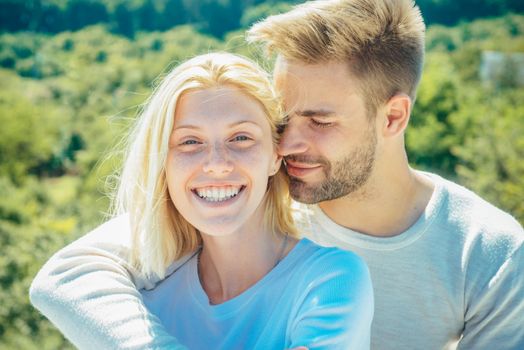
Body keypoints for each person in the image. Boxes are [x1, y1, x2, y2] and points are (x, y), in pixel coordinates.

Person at [30, 0, 524, 349]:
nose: (287, 144)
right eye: (283, 121)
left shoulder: (489, 252)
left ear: (393, 117)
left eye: (321, 121)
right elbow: (71, 274)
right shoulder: (249, 197)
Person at [31, 51, 374, 349]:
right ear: (163, 164)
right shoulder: (140, 299)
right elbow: (57, 279)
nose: (217, 163)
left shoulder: (330, 279)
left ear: (275, 154)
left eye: (241, 138)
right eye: (190, 142)